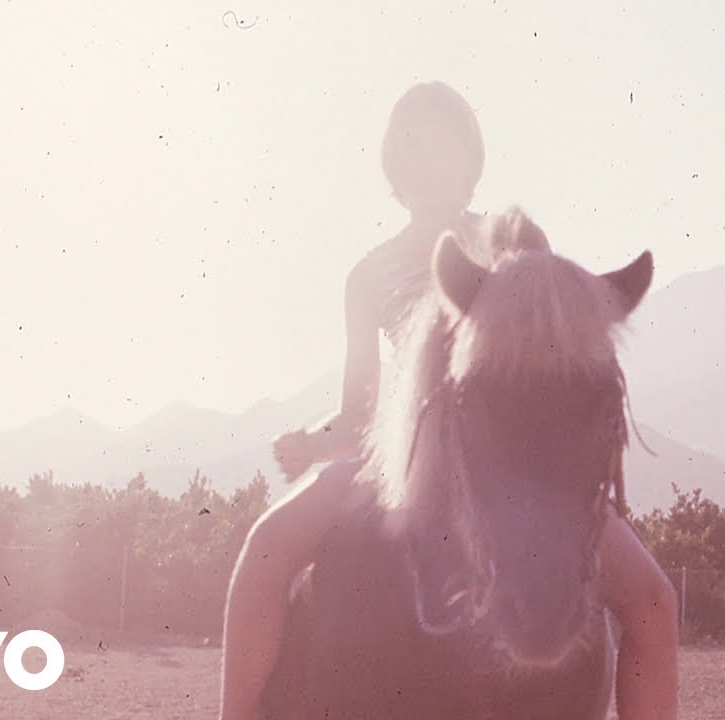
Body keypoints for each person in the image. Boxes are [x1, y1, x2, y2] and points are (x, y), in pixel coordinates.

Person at [219, 81, 679, 720]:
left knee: (654, 602)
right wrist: (314, 443)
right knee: (268, 548)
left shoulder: (521, 243)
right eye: (415, 150)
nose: (431, 163)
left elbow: (554, 377)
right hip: (391, 464)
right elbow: (360, 411)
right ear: (394, 170)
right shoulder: (369, 275)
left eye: (447, 147)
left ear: (473, 162)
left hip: (520, 471)